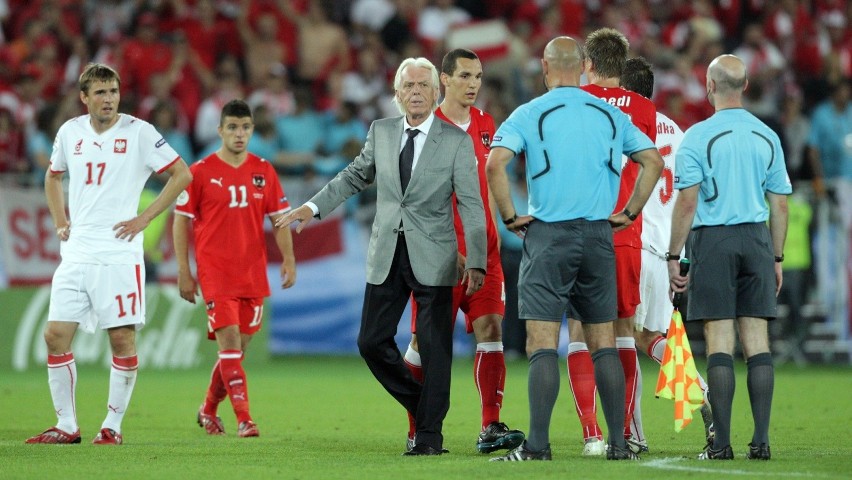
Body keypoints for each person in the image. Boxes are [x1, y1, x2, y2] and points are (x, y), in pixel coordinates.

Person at [276, 56, 486, 456]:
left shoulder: (457, 141)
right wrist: (312, 207)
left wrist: (476, 259)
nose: (417, 92)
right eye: (409, 86)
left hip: (437, 257)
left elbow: (472, 205)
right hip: (386, 252)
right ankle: (421, 404)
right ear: (397, 93)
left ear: (436, 91)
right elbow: (354, 175)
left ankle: (429, 437)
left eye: (424, 85)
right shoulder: (382, 132)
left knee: (435, 346)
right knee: (371, 341)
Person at [486, 36, 663, 461]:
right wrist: (630, 212)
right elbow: (652, 161)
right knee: (605, 340)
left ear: (545, 68)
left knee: (542, 342)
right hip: (601, 236)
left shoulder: (531, 113)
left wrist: (511, 217)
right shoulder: (608, 113)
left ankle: (538, 446)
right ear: (581, 67)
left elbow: (495, 163)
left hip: (549, 235)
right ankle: (620, 445)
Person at [26, 63, 192, 445]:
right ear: (84, 98)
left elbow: (182, 174)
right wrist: (60, 221)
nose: (108, 99)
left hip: (119, 254)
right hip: (77, 251)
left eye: (113, 91)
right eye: (100, 93)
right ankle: (67, 425)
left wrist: (144, 218)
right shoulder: (70, 132)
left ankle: (112, 427)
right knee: (54, 335)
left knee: (121, 340)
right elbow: (53, 177)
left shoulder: (139, 132)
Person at [401, 48, 525, 454]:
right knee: (424, 343)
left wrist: (505, 225)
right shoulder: (425, 129)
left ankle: (490, 425)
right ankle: (417, 428)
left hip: (484, 254)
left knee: (491, 329)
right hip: (439, 256)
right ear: (446, 79)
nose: (473, 84)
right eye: (466, 76)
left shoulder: (488, 125)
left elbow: (489, 187)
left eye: (478, 76)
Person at [668, 54, 791, 460]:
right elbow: (781, 205)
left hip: (714, 240)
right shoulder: (767, 135)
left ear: (708, 85)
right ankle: (762, 441)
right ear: (746, 86)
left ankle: (721, 444)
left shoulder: (697, 137)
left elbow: (687, 201)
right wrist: (776, 256)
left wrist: (674, 255)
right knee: (757, 340)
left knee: (720, 341)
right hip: (757, 239)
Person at [173, 99, 297, 438]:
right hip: (216, 273)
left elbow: (280, 219)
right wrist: (184, 271)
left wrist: (288, 258)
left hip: (252, 273)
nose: (239, 134)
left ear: (252, 130)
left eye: (245, 128)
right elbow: (180, 222)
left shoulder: (264, 170)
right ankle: (245, 419)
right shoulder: (199, 171)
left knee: (238, 351)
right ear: (220, 130)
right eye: (232, 127)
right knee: (228, 345)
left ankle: (208, 409)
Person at [566, 27, 658, 456]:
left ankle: (591, 434)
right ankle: (623, 434)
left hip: (578, 228)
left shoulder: (575, 102)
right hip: (625, 232)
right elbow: (647, 163)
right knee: (623, 332)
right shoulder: (643, 108)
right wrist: (630, 214)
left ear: (587, 64)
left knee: (580, 331)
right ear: (622, 66)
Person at [619, 56, 714, 452]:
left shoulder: (623, 126)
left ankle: (633, 434)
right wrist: (681, 255)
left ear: (621, 92)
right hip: (665, 249)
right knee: (649, 337)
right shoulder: (678, 132)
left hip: (631, 239)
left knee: (621, 337)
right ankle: (701, 391)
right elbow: (689, 198)